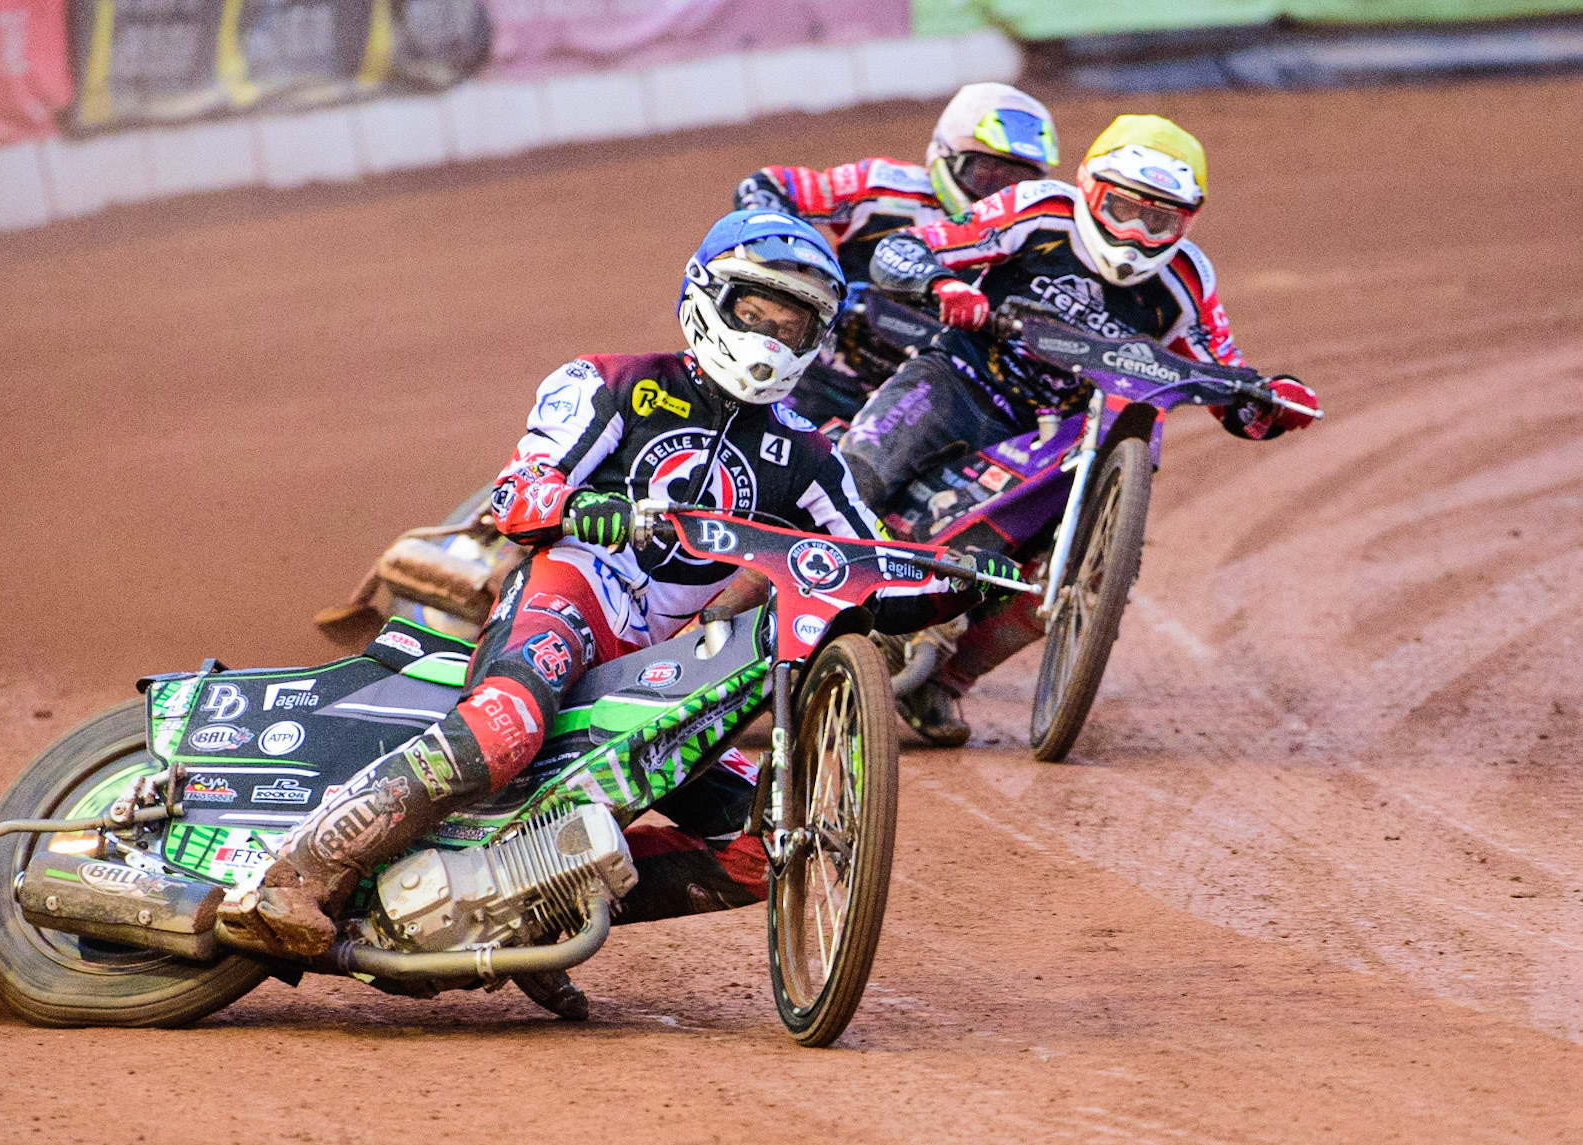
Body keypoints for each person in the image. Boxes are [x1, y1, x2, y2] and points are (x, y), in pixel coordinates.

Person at [218, 210, 1020, 966]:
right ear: (706, 296)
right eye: (756, 310)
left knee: (766, 838)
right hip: (571, 598)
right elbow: (514, 493)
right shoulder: (613, 383)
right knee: (505, 727)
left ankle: (528, 909)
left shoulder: (809, 456)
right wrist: (583, 507)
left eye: (794, 323)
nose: (771, 336)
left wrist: (962, 585)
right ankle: (296, 875)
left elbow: (862, 558)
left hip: (670, 669)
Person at [843, 114, 1320, 746]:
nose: (1135, 233)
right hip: (957, 378)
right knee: (849, 480)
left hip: (1062, 429)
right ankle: (758, 615)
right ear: (1089, 188)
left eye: (1159, 220)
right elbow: (903, 250)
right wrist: (943, 281)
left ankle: (943, 683)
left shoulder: (1188, 281)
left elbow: (1224, 377)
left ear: (1187, 220)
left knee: (1088, 574)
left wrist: (1271, 403)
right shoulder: (1038, 209)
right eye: (1122, 209)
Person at [734, 83, 1059, 426]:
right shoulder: (886, 186)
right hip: (822, 370)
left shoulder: (1034, 233)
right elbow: (768, 186)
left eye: (1015, 184)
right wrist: (798, 269)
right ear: (946, 154)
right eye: (986, 174)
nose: (996, 194)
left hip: (944, 393)